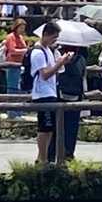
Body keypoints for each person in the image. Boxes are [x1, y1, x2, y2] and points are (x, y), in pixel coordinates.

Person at [28, 20, 71, 165]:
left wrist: (61, 62)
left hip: (50, 92)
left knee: (50, 128)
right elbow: (45, 74)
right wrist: (60, 63)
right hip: (42, 94)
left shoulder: (48, 50)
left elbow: (53, 71)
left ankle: (43, 157)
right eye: (54, 37)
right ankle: (42, 159)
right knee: (44, 128)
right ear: (46, 34)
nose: (55, 40)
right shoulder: (38, 52)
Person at [49, 38, 87, 163]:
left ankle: (52, 154)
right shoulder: (81, 58)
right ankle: (69, 154)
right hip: (76, 95)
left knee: (56, 125)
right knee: (72, 126)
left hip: (60, 94)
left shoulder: (58, 56)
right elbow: (83, 75)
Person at [1, 17, 28, 102]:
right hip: (12, 64)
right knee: (12, 87)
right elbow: (12, 51)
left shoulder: (21, 37)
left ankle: (19, 106)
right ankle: (11, 107)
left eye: (23, 28)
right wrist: (24, 51)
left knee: (19, 86)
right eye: (21, 28)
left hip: (20, 65)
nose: (22, 30)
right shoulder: (10, 37)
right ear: (16, 27)